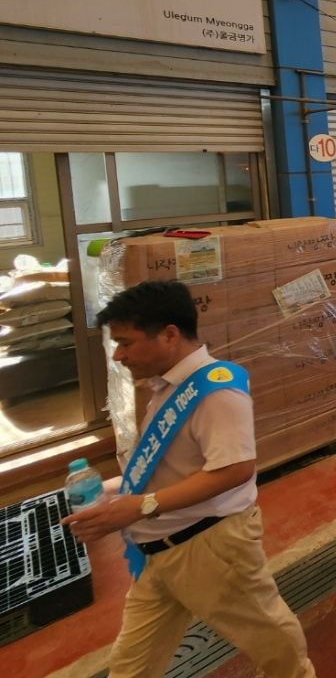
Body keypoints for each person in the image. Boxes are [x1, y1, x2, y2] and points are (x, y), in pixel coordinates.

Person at [62, 281, 315, 678]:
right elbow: (172, 463)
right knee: (130, 668)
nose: (119, 355)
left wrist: (142, 505)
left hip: (210, 549)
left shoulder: (216, 393)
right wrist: (112, 491)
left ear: (169, 334)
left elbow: (235, 470)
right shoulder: (167, 385)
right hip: (157, 553)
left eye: (126, 343)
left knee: (277, 651)